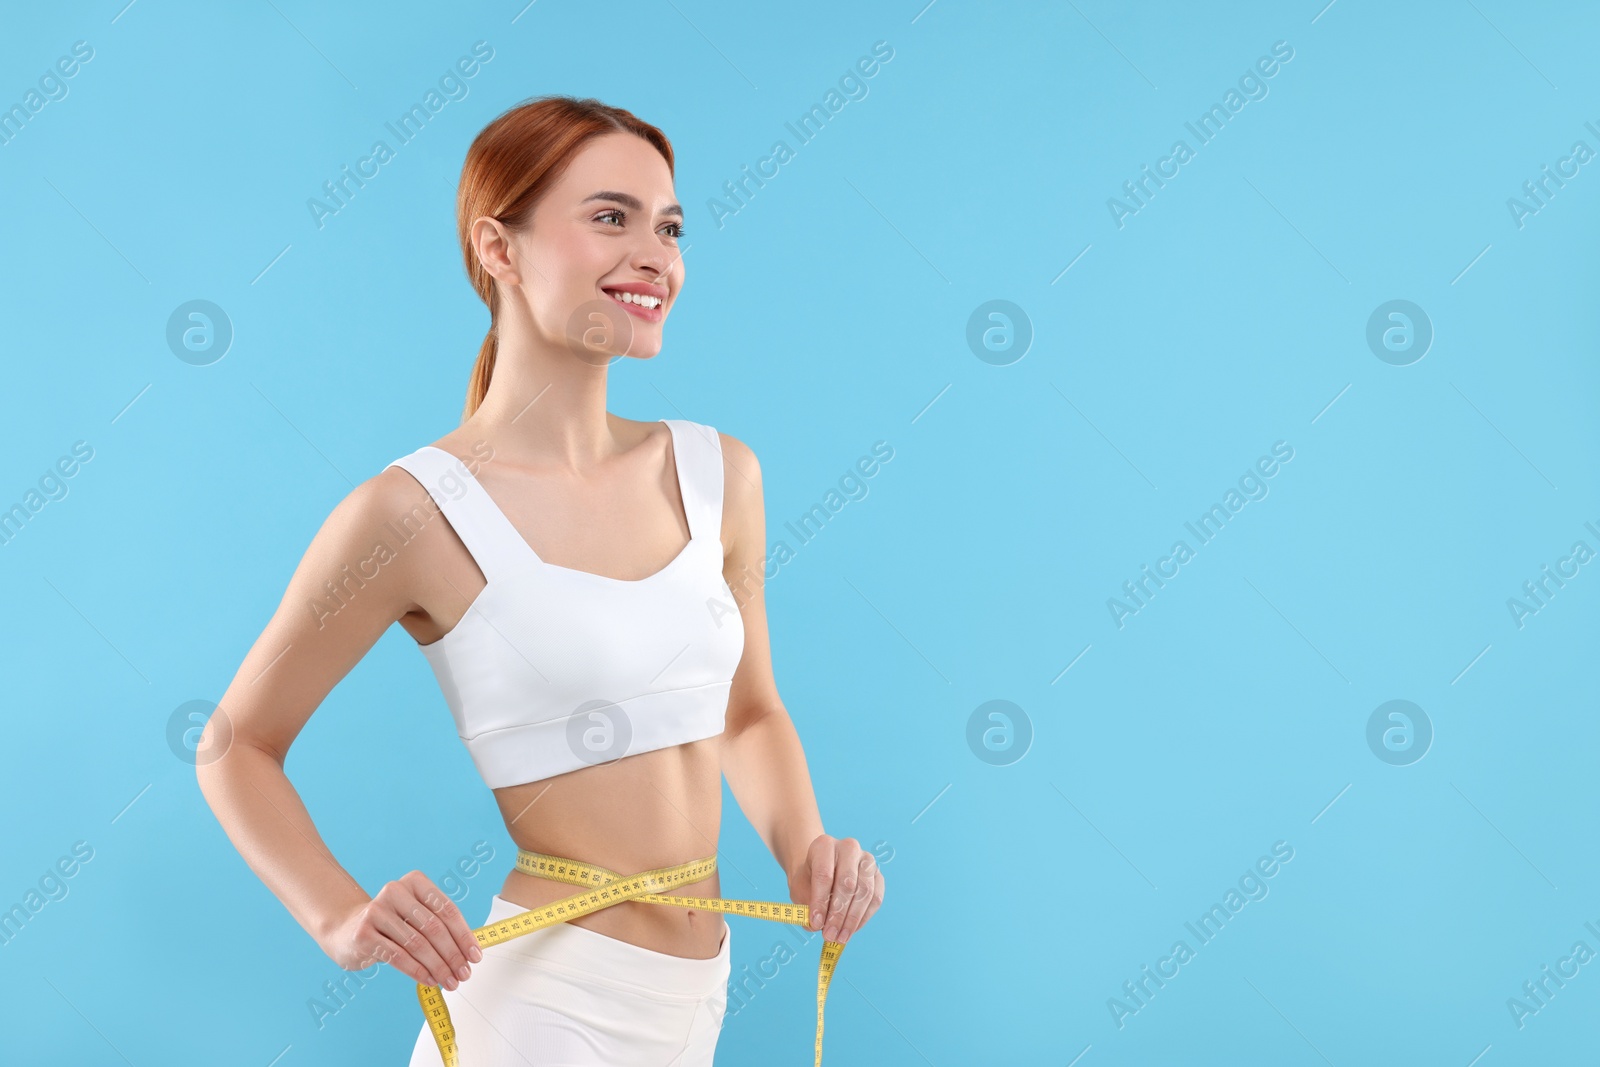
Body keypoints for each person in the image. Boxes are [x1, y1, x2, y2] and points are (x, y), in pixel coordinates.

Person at [195, 95, 885, 1066]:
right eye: (611, 217)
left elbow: (747, 711)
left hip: (697, 996)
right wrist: (339, 915)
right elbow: (235, 744)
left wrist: (806, 847)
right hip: (542, 1009)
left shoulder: (721, 473)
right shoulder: (412, 513)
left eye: (670, 226)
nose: (656, 254)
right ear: (498, 247)